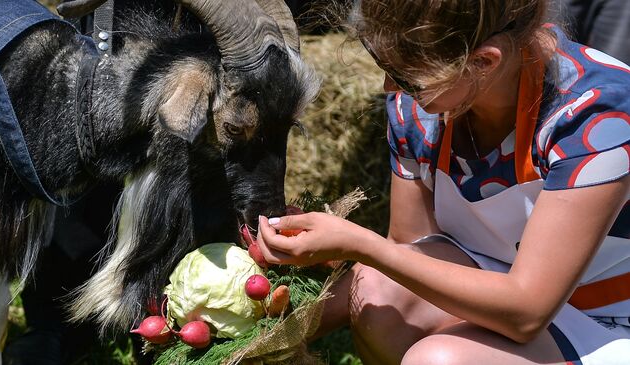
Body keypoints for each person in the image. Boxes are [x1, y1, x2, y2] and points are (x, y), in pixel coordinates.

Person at [256, 0, 630, 364]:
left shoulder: (595, 112)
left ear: (484, 61)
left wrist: (361, 244)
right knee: (374, 291)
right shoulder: (419, 106)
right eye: (384, 66)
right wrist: (257, 330)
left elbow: (527, 311)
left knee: (438, 360)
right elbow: (411, 248)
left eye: (407, 77)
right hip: (509, 292)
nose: (390, 87)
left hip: (607, 320)